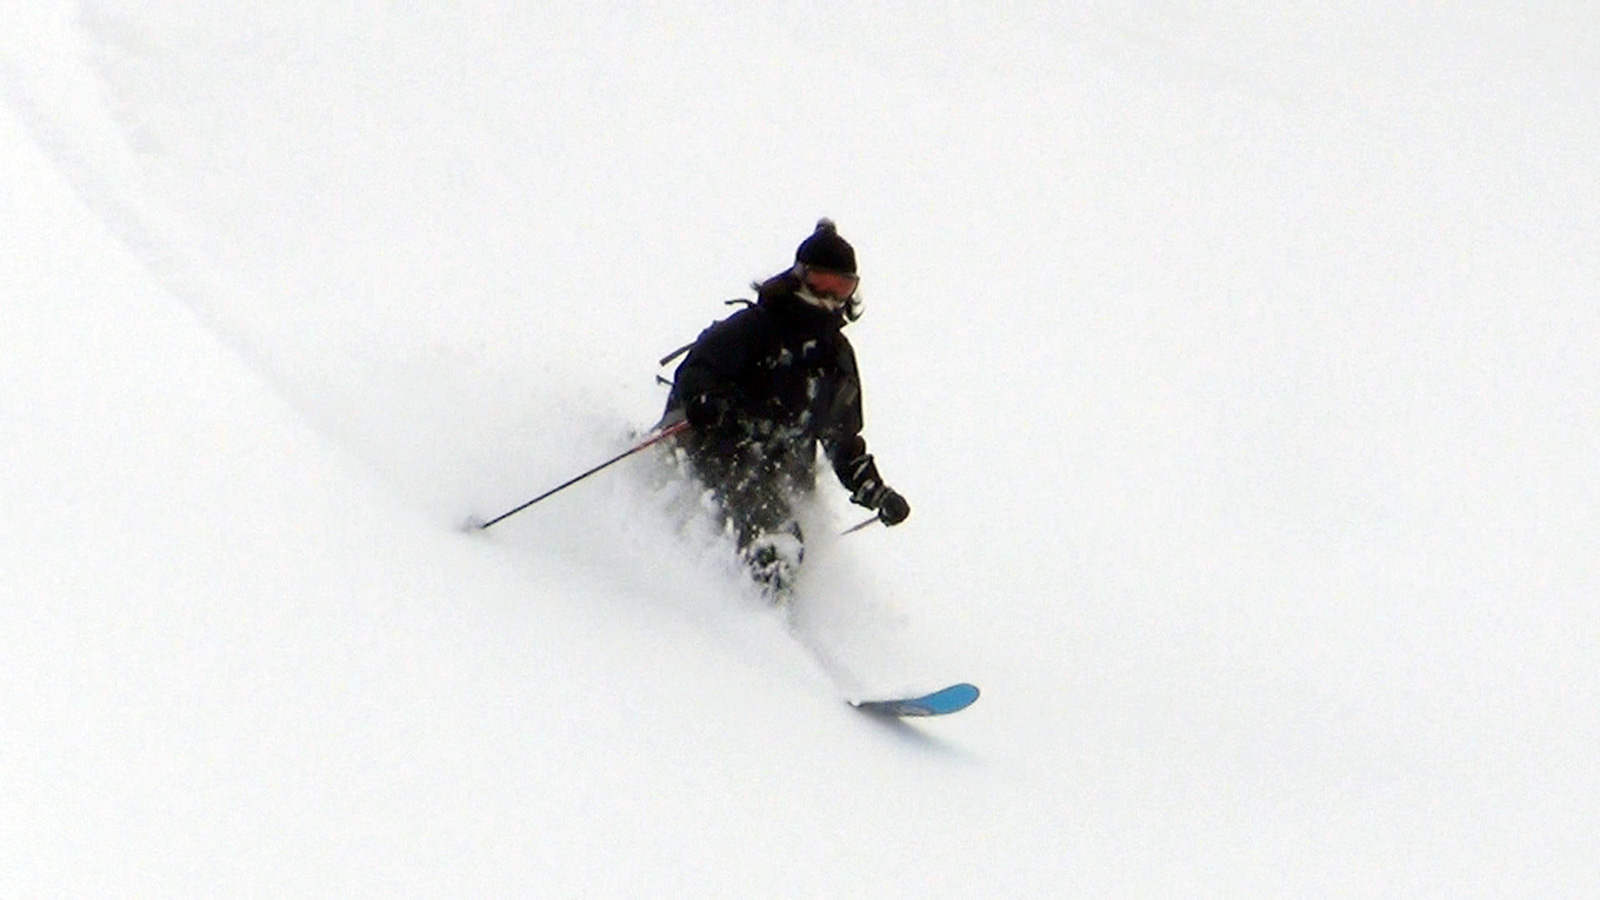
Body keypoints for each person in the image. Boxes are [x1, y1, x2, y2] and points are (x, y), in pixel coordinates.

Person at [662, 219, 910, 599]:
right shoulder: (758, 327)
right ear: (800, 276)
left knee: (784, 540)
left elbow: (844, 441)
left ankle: (762, 617)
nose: (830, 296)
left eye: (842, 286)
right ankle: (741, 614)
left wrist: (875, 492)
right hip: (720, 448)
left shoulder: (836, 357)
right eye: (821, 281)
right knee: (773, 539)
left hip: (779, 470)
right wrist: (703, 402)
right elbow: (697, 371)